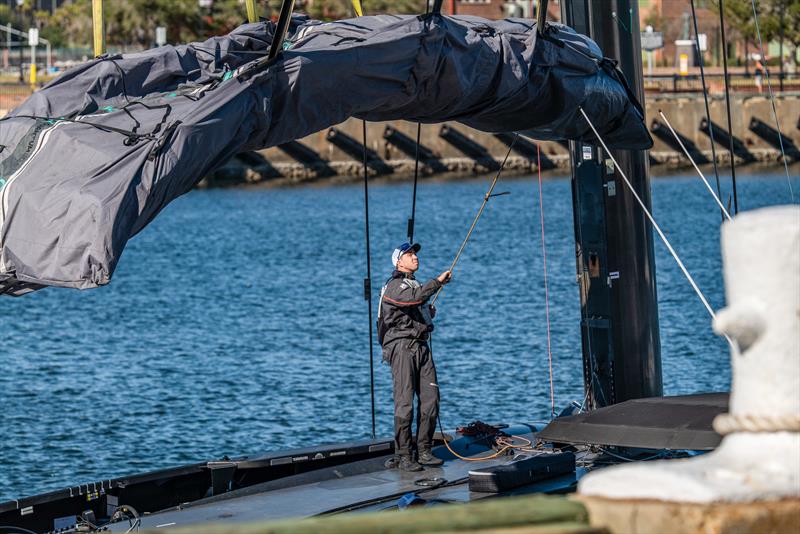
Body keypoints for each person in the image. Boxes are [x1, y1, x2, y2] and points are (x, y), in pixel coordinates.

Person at [377, 242, 451, 472]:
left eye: (415, 254)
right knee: (405, 403)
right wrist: (437, 283)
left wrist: (426, 316)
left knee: (431, 399)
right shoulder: (394, 286)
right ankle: (404, 454)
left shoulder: (413, 285)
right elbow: (413, 298)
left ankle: (425, 450)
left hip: (420, 347)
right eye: (409, 254)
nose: (415, 257)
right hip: (401, 348)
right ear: (399, 262)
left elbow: (415, 304)